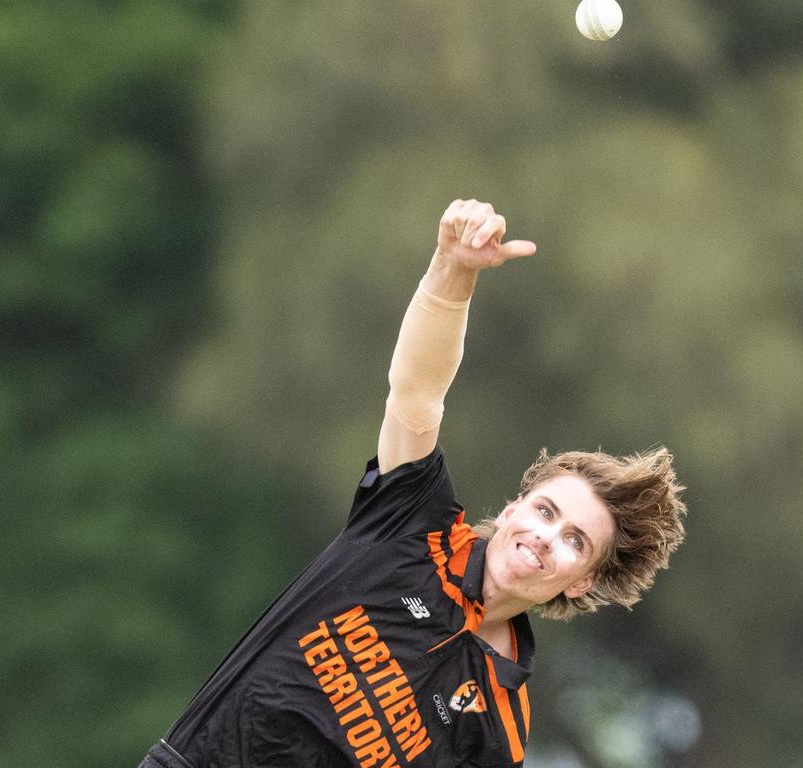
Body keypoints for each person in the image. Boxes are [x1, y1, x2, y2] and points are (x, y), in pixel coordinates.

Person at [138, 199, 687, 768]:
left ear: (582, 583)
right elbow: (417, 393)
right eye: (547, 511)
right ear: (512, 507)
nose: (548, 537)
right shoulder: (414, 525)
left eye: (576, 541)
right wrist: (454, 269)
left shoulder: (501, 731)